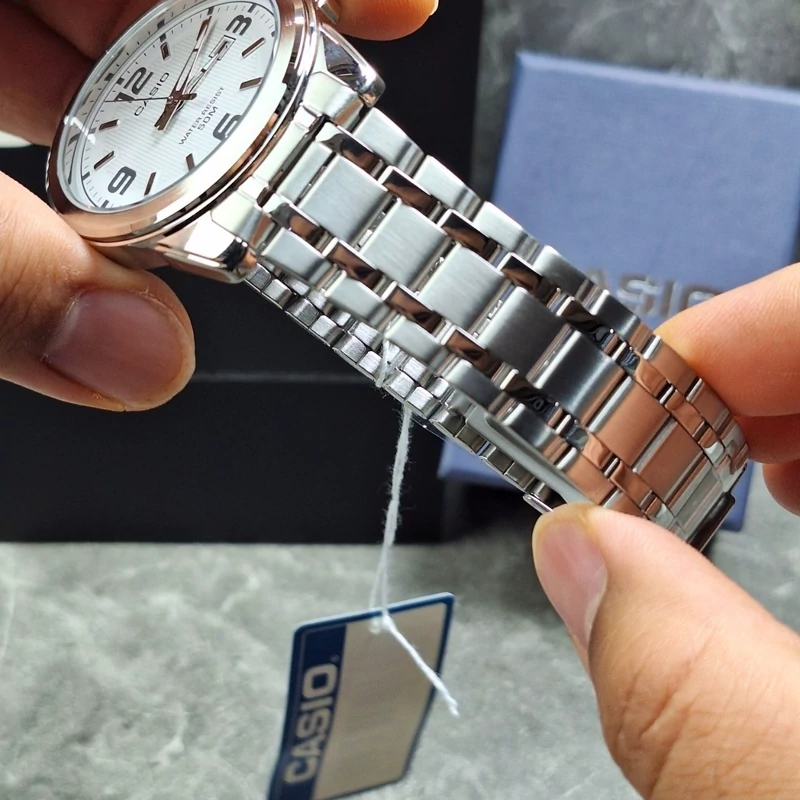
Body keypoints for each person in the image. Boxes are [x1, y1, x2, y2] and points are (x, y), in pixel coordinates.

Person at [0, 0, 798, 796]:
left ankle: (670, 453)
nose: (175, 100)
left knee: (470, 272)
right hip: (267, 144)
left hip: (289, 116)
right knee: (419, 295)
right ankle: (665, 459)